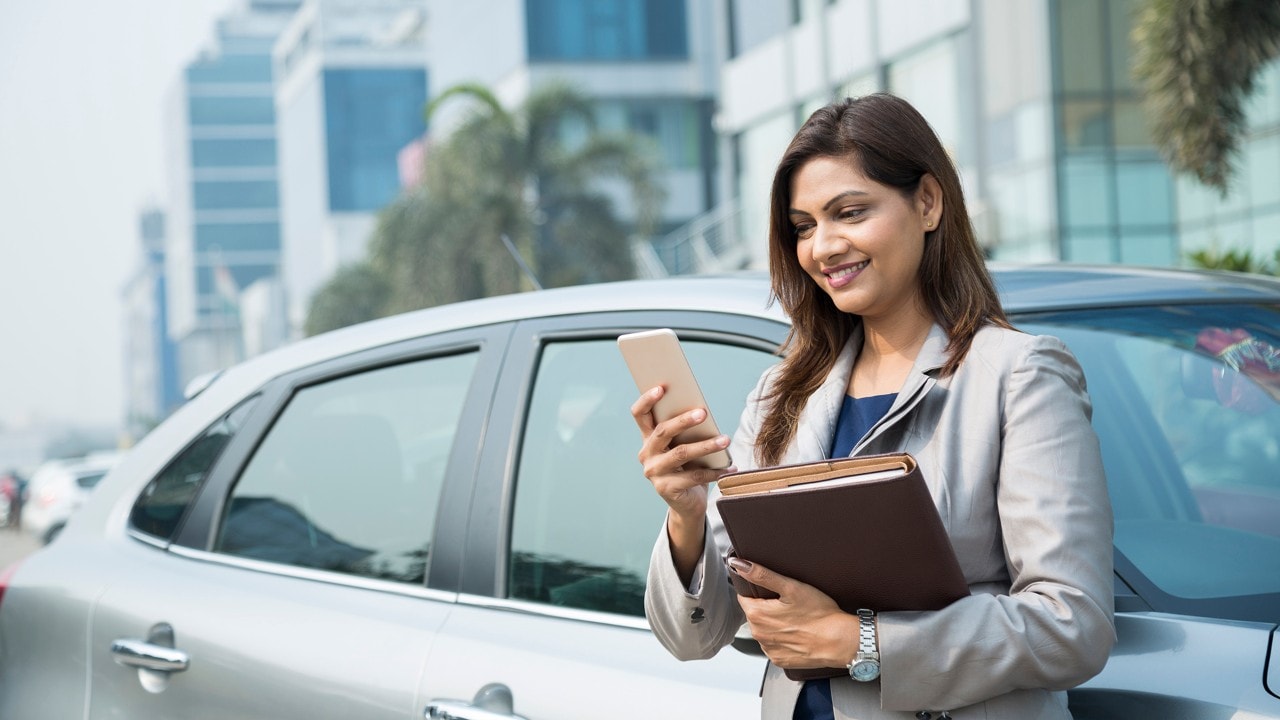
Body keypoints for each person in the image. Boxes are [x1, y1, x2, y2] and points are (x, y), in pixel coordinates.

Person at [633, 94, 1115, 719]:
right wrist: (687, 517)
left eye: (850, 213)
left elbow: (1072, 624)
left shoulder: (1017, 376)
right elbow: (694, 637)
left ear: (928, 202)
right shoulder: (781, 395)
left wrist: (861, 642)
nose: (823, 247)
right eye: (803, 226)